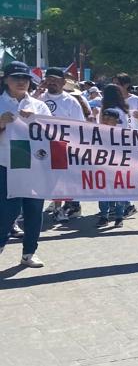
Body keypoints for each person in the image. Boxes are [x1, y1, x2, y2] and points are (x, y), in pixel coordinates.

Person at [0, 62, 50, 267]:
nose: (21, 82)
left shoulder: (39, 106)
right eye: (16, 77)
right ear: (5, 80)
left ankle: (29, 252)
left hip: (35, 165)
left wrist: (37, 123)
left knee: (34, 210)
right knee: (7, 211)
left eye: (25, 78)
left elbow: (53, 134)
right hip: (6, 164)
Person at [41, 68, 87, 222]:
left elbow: (79, 126)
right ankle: (52, 204)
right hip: (40, 146)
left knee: (59, 179)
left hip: (61, 146)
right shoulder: (38, 98)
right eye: (49, 79)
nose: (52, 82)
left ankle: (59, 208)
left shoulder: (71, 101)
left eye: (55, 79)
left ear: (63, 82)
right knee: (43, 178)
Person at [96, 108, 131, 229]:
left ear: (116, 121)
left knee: (120, 192)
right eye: (104, 118)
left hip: (119, 167)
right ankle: (104, 216)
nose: (106, 121)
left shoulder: (123, 134)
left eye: (109, 119)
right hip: (103, 167)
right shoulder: (97, 133)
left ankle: (119, 217)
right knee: (103, 192)